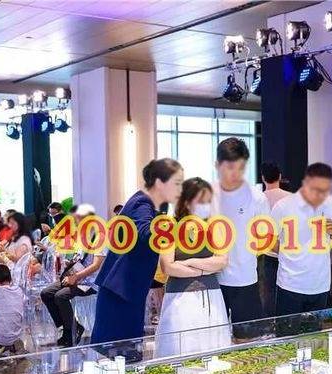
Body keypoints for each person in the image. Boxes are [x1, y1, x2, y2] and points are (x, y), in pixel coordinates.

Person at [91, 159, 183, 358]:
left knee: (122, 354)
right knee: (122, 354)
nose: (179, 189)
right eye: (176, 183)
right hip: (121, 290)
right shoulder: (142, 204)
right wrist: (177, 226)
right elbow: (146, 233)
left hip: (123, 289)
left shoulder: (143, 204)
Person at [155, 177, 231, 357]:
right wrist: (206, 268)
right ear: (187, 202)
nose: (205, 205)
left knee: (212, 352)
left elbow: (222, 261)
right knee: (178, 351)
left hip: (211, 297)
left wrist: (189, 262)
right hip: (179, 298)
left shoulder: (214, 226)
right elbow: (167, 267)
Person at [270, 163, 332, 335]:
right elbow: (270, 239)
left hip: (320, 283)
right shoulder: (283, 206)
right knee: (286, 338)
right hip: (290, 283)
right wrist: (288, 254)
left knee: (313, 337)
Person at [211, 138, 270, 340]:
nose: (235, 173)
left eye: (240, 166)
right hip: (212, 279)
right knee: (215, 341)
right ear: (218, 165)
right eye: (229, 167)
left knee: (247, 341)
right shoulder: (206, 195)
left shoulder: (257, 197)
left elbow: (265, 237)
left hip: (245, 279)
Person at [41, 204, 105, 348]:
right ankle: (68, 328)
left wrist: (75, 277)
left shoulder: (100, 238)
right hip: (77, 277)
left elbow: (96, 265)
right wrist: (70, 264)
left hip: (91, 282)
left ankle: (70, 332)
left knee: (60, 296)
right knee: (46, 293)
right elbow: (79, 258)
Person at [260, 162, 292, 318]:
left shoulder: (258, 198)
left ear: (263, 178)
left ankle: (271, 324)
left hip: (267, 252)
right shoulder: (291, 198)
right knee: (289, 292)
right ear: (279, 176)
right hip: (289, 253)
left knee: (269, 292)